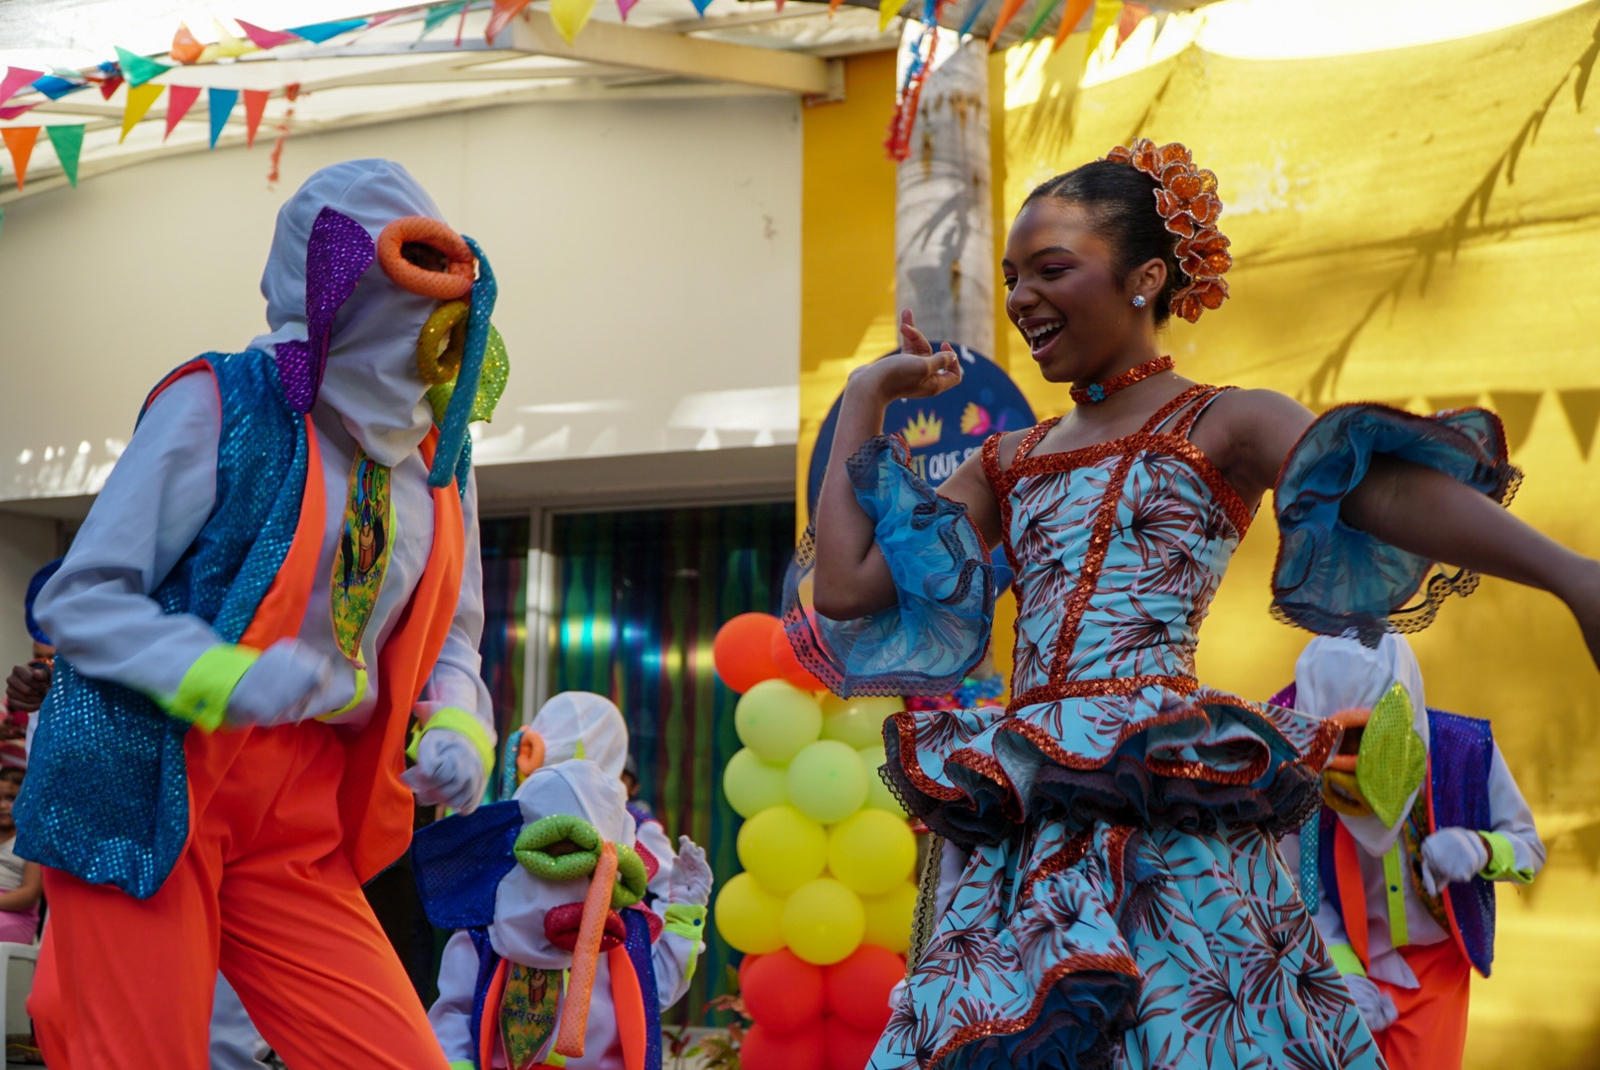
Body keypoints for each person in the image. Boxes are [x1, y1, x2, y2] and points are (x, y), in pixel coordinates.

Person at [793, 137, 1600, 1069]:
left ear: (1145, 279)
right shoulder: (1007, 459)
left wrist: (1567, 572)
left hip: (1160, 798)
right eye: (1012, 276)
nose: (1019, 297)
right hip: (1032, 812)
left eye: (1051, 269)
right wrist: (865, 394)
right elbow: (849, 587)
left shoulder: (1224, 420)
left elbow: (1380, 489)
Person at [19, 159, 509, 1070]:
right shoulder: (219, 402)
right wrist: (221, 674)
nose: (426, 342)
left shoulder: (443, 465)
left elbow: (453, 636)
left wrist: (461, 725)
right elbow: (79, 598)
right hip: (148, 774)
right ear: (338, 298)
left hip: (302, 801)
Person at [1280, 633, 1544, 1070]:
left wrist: (1480, 848)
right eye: (1339, 742)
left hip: (1435, 968)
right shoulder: (1298, 776)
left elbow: (1529, 848)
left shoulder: (1467, 752)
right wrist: (1340, 971)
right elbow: (1300, 886)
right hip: (1347, 958)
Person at [415, 691, 713, 1069]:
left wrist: (686, 913)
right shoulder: (485, 935)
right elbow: (454, 1013)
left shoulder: (622, 939)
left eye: (591, 864)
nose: (573, 873)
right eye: (557, 853)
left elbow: (656, 988)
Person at [0, 772, 41, 945]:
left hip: (16, 913)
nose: (2, 805)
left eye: (11, 798)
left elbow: (31, 893)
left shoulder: (32, 838)